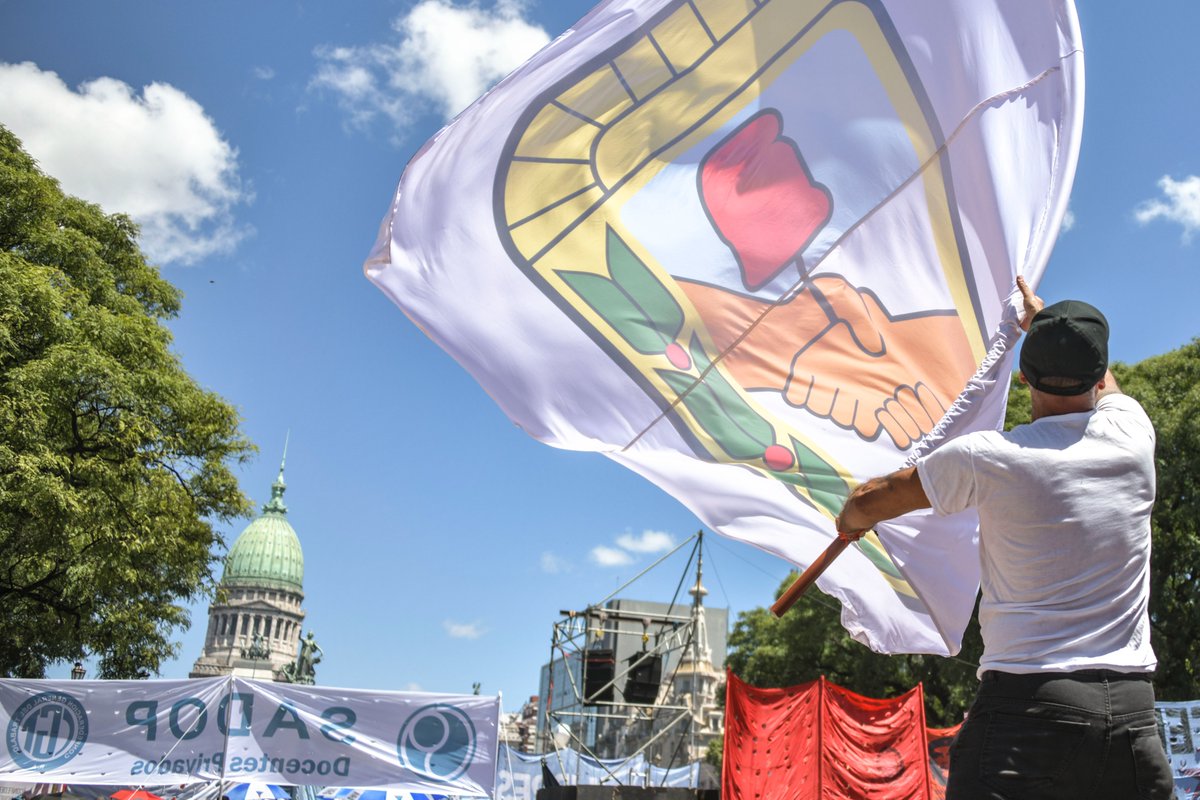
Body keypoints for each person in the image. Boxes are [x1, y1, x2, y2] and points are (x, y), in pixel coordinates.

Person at [835, 277, 1174, 799]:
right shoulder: (1132, 436)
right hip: (1130, 714)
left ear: (1022, 376)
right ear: (1098, 379)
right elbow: (1106, 383)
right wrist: (1046, 324)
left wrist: (850, 524)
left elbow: (867, 502)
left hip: (1027, 711)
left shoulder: (989, 458)